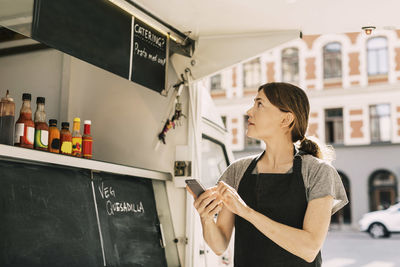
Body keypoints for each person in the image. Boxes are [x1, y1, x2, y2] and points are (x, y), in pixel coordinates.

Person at [186, 82, 349, 266]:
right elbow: (219, 245)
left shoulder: (317, 171)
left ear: (286, 120)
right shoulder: (237, 171)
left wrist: (246, 212)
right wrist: (206, 217)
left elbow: (309, 249)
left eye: (259, 104)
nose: (249, 111)